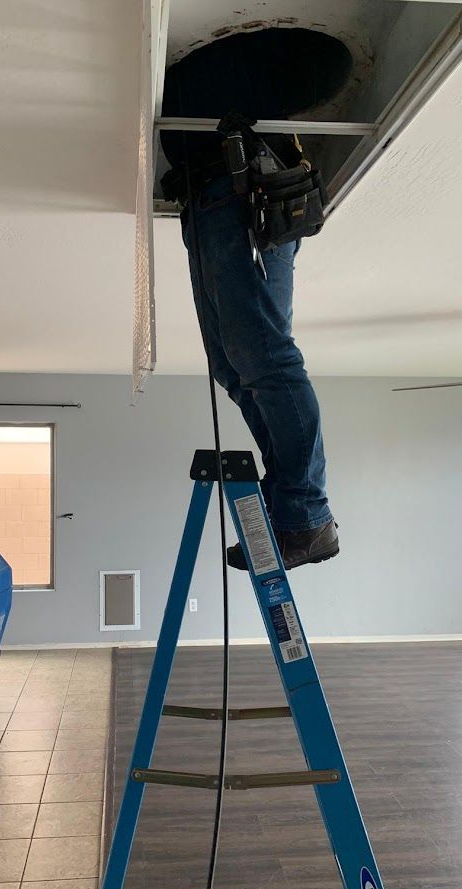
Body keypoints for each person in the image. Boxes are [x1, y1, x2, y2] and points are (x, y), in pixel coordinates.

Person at [160, 27, 352, 569]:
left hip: (245, 198)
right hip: (207, 203)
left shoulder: (254, 79)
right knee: (232, 364)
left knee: (265, 357)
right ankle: (293, 509)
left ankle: (307, 519)